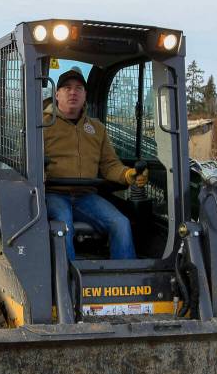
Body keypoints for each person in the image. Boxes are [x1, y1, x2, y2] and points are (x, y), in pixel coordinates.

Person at [43, 69, 148, 260]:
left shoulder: (97, 128)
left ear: (85, 95)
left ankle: (124, 280)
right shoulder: (42, 125)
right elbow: (24, 159)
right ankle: (67, 281)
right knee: (63, 224)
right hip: (53, 194)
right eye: (67, 88)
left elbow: (109, 164)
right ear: (57, 94)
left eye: (78, 88)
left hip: (86, 196)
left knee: (120, 223)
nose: (73, 92)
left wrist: (127, 175)